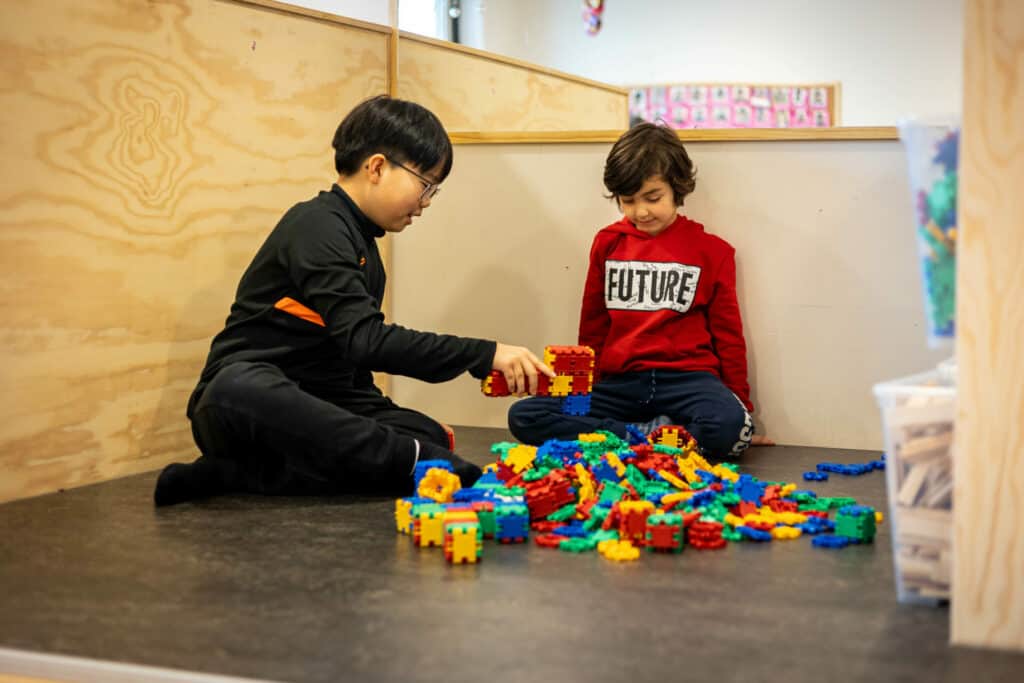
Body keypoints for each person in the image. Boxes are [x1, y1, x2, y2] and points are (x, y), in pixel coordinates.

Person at [154, 95, 553, 506]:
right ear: (377, 167)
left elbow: (351, 369)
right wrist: (484, 354)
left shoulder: (365, 248)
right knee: (238, 388)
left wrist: (390, 420)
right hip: (246, 405)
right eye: (425, 184)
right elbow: (367, 341)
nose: (426, 202)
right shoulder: (316, 225)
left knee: (424, 432)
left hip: (316, 402)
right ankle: (423, 463)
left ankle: (240, 474)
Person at [508, 122, 772, 459]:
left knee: (728, 427)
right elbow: (593, 324)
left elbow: (728, 337)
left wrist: (742, 412)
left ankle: (627, 437)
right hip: (621, 383)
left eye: (653, 197)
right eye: (628, 200)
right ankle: (648, 435)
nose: (640, 211)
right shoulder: (608, 243)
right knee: (525, 416)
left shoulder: (713, 251)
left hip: (688, 380)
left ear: (677, 187)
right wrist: (582, 392)